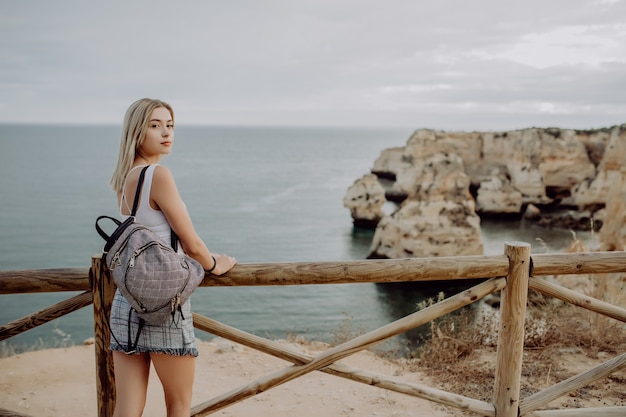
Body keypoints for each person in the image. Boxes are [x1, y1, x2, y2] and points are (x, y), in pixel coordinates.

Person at [108, 98, 237, 417]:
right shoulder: (158, 174)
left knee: (127, 410)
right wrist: (215, 264)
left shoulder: (125, 179)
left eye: (170, 125)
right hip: (165, 303)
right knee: (178, 406)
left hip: (127, 302)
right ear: (137, 132)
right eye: (155, 125)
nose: (166, 132)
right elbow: (191, 244)